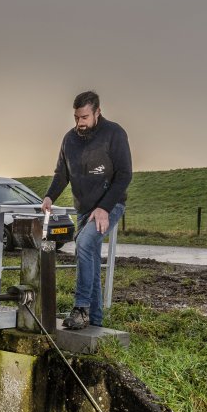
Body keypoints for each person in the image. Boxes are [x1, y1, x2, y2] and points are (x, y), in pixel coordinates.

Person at [42, 90, 132, 330]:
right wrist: (50, 195)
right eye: (76, 118)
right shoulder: (69, 140)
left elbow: (124, 175)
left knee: (83, 243)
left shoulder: (114, 134)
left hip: (109, 206)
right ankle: (96, 320)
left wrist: (104, 207)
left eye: (84, 117)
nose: (80, 123)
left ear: (97, 112)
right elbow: (62, 174)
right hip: (83, 209)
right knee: (88, 253)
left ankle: (81, 308)